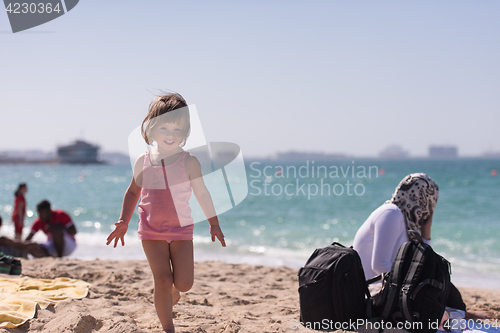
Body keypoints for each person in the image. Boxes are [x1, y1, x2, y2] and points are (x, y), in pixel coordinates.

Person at [106, 93, 226, 333]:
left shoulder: (189, 161)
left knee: (184, 282)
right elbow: (132, 193)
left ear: (185, 133)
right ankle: (168, 328)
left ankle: (175, 288)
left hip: (181, 230)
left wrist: (214, 223)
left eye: (177, 129)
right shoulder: (143, 161)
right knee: (161, 280)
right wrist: (123, 222)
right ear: (151, 128)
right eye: (164, 128)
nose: (170, 135)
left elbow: (202, 194)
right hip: (150, 231)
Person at [353, 173, 491, 319]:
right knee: (430, 295)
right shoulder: (391, 213)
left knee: (442, 286)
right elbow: (379, 265)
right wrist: (407, 289)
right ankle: (459, 315)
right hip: (371, 291)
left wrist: (426, 231)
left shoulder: (407, 222)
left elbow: (422, 263)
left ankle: (457, 314)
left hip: (385, 287)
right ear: (424, 199)